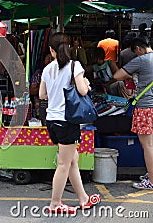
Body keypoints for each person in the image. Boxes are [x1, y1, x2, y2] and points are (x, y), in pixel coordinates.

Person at [39, 32, 100, 214]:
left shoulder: (47, 68)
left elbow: (42, 95)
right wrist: (87, 84)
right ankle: (55, 203)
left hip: (51, 120)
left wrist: (56, 91)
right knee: (64, 164)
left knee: (72, 159)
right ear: (70, 47)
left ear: (52, 50)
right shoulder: (75, 66)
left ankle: (83, 199)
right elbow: (82, 90)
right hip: (66, 121)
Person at [113, 37, 153, 189]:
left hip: (145, 107)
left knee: (147, 145)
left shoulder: (141, 60)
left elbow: (117, 76)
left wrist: (133, 74)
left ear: (138, 49)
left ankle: (151, 181)